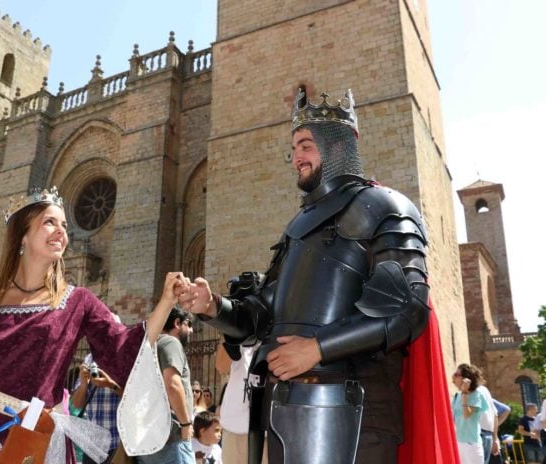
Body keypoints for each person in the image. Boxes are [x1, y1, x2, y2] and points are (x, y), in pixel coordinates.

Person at [179, 87, 437, 464]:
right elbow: (263, 315)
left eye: (305, 146)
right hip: (283, 411)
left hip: (357, 414)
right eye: (294, 148)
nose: (296, 157)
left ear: (337, 147)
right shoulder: (297, 227)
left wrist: (317, 348)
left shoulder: (385, 206)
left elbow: (407, 311)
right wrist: (213, 307)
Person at [0, 187, 188, 464]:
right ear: (23, 235)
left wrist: (166, 301)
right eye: (49, 222)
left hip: (38, 437)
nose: (61, 232)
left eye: (64, 225)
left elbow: (125, 347)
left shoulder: (78, 301)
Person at [137, 307, 195, 464]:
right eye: (189, 324)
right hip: (172, 438)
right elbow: (173, 385)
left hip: (146, 439)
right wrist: (185, 423)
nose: (191, 330)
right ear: (177, 323)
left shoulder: (145, 347)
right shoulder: (170, 342)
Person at [72, 351, 123, 463]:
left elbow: (134, 398)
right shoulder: (89, 359)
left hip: (117, 445)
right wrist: (84, 384)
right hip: (92, 446)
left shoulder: (124, 357)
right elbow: (77, 404)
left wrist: (111, 385)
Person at [452, 364, 489, 464]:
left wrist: (464, 393)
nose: (454, 376)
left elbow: (467, 414)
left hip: (472, 443)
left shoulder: (477, 395)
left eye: (457, 374)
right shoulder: (456, 396)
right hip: (458, 442)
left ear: (466, 378)